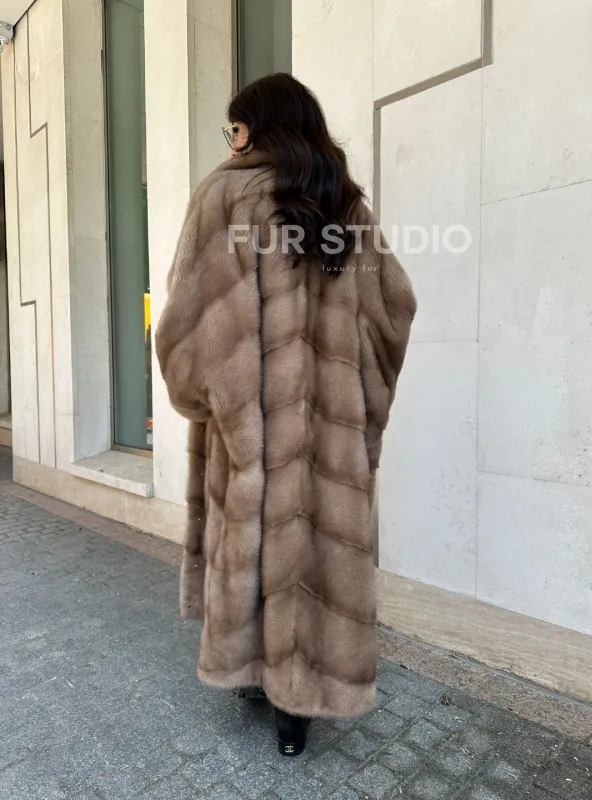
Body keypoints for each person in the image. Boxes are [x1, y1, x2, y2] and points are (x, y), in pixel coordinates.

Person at [155, 73, 416, 757]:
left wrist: (211, 400)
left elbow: (185, 332)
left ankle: (252, 671)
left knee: (251, 538)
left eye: (235, 127)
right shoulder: (345, 204)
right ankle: (296, 706)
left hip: (249, 432)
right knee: (313, 551)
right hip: (329, 434)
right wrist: (358, 409)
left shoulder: (224, 197)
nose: (230, 142)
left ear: (258, 127)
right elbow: (394, 313)